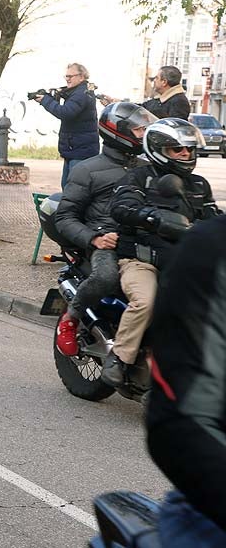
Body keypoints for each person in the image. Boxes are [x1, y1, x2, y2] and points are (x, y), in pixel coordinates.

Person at [103, 118, 218, 386]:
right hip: (142, 260)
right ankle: (120, 358)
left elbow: (212, 216)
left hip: (183, 263)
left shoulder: (198, 185)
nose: (185, 154)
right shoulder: (139, 177)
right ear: (159, 149)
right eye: (177, 149)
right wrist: (152, 218)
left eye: (188, 149)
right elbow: (120, 208)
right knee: (147, 301)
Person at [145, 216, 226, 545]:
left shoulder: (195, 189)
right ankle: (120, 355)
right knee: (138, 304)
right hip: (210, 506)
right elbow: (183, 421)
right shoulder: (213, 251)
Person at [52, 103, 158, 328]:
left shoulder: (147, 169)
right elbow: (65, 217)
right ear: (118, 131)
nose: (145, 135)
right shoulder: (87, 170)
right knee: (106, 278)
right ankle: (71, 318)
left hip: (139, 241)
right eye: (140, 130)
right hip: (105, 243)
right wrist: (94, 239)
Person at [35, 63, 99, 188]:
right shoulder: (81, 91)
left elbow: (65, 112)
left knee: (73, 190)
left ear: (81, 77)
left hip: (80, 152)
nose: (67, 79)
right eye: (66, 76)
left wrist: (45, 101)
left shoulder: (81, 94)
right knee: (68, 189)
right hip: (75, 149)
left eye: (70, 76)